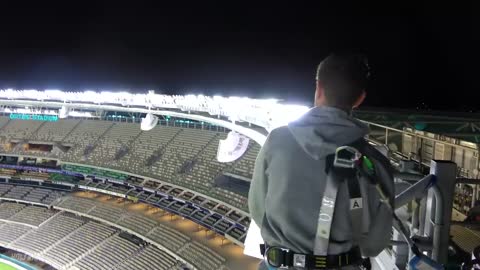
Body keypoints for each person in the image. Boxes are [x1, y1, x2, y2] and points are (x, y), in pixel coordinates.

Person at [248, 52, 395, 269]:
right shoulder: (376, 165)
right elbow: (373, 246)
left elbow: (258, 209)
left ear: (318, 88)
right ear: (359, 98)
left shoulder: (277, 142)